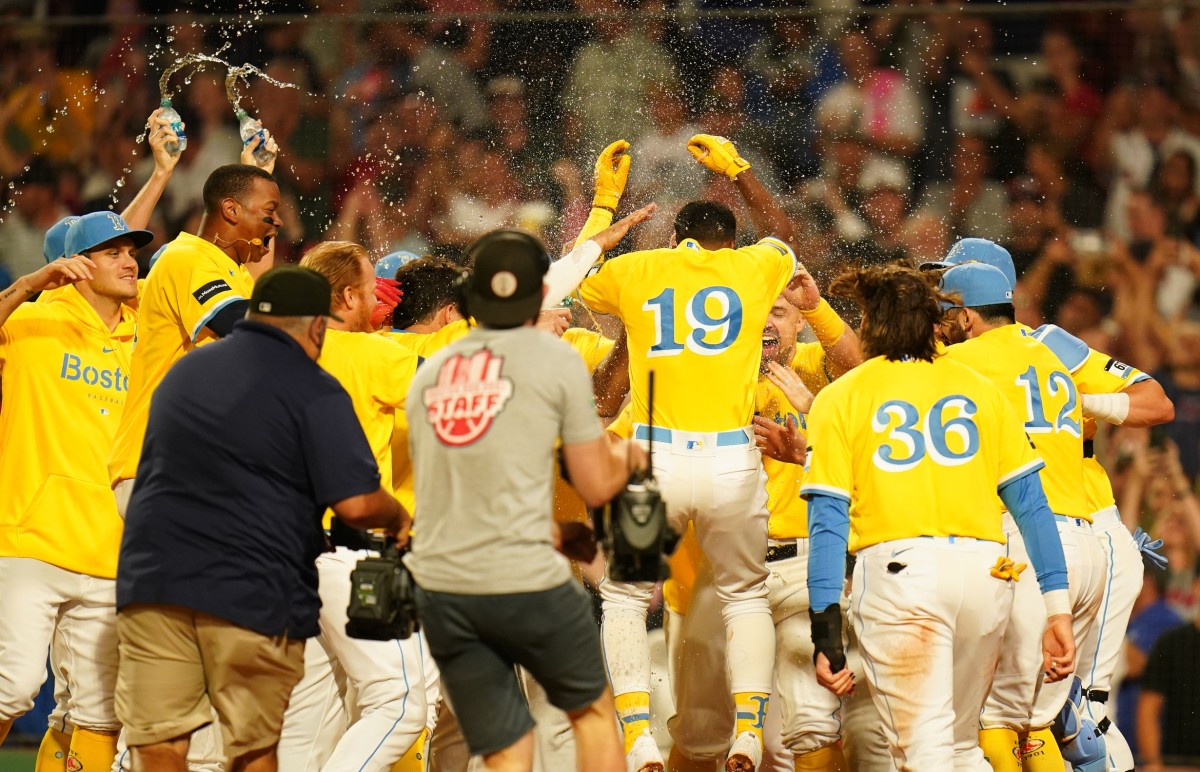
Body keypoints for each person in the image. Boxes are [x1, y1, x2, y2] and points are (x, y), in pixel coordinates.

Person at [114, 266, 409, 772]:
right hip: (250, 586)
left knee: (159, 743)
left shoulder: (186, 370)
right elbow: (357, 504)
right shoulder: (312, 385)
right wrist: (398, 515)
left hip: (154, 581)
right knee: (252, 746)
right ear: (319, 326)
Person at [578, 133, 798, 772]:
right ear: (732, 243)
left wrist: (604, 202)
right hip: (734, 460)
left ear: (679, 240)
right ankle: (751, 732)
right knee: (745, 598)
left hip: (656, 460)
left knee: (622, 596)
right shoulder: (753, 269)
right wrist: (741, 172)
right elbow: (781, 230)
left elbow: (579, 269)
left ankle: (639, 736)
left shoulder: (641, 270)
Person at [800, 264, 1075, 770]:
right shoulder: (980, 388)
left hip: (903, 578)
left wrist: (825, 632)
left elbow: (828, 521)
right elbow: (1033, 507)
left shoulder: (842, 396)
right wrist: (1057, 609)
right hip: (986, 578)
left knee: (922, 754)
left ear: (870, 326)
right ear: (933, 323)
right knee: (962, 747)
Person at [923, 237, 1175, 769]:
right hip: (1084, 539)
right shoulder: (1046, 353)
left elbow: (1157, 402)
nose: (938, 300)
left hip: (1056, 531)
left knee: (1058, 714)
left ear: (973, 301)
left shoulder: (995, 353)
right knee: (1053, 714)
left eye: (948, 286)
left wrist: (1082, 400)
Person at [405, 230, 645, 772]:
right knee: (590, 715)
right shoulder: (549, 361)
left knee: (501, 739)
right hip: (523, 575)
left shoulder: (429, 373)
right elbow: (595, 481)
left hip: (445, 580)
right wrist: (632, 459)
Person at [937, 261, 1106, 772]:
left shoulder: (965, 361)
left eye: (948, 311)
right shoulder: (1050, 355)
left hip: (1028, 542)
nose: (942, 321)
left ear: (967, 318)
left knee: (990, 716)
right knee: (1035, 724)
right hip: (1086, 548)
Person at [0, 212, 149, 771]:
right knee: (12, 688)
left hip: (111, 553)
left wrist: (164, 171)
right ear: (77, 265)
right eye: (113, 252)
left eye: (132, 251)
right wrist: (29, 284)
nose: (130, 260)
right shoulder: (35, 321)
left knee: (97, 712)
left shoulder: (142, 335)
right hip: (31, 540)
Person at [277, 241, 429, 772]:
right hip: (353, 555)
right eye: (367, 292)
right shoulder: (374, 353)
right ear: (344, 297)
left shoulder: (282, 352)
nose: (374, 303)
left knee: (313, 718)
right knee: (404, 704)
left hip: (288, 559)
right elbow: (462, 387)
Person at [107, 163, 283, 511]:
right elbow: (239, 320)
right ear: (231, 210)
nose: (277, 223)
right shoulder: (187, 257)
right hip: (161, 462)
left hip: (188, 463)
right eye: (269, 213)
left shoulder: (231, 274)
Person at [1137, 571, 1200, 772]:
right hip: (1178, 763)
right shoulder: (1172, 642)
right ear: (1196, 588)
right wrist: (1153, 762)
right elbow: (1148, 708)